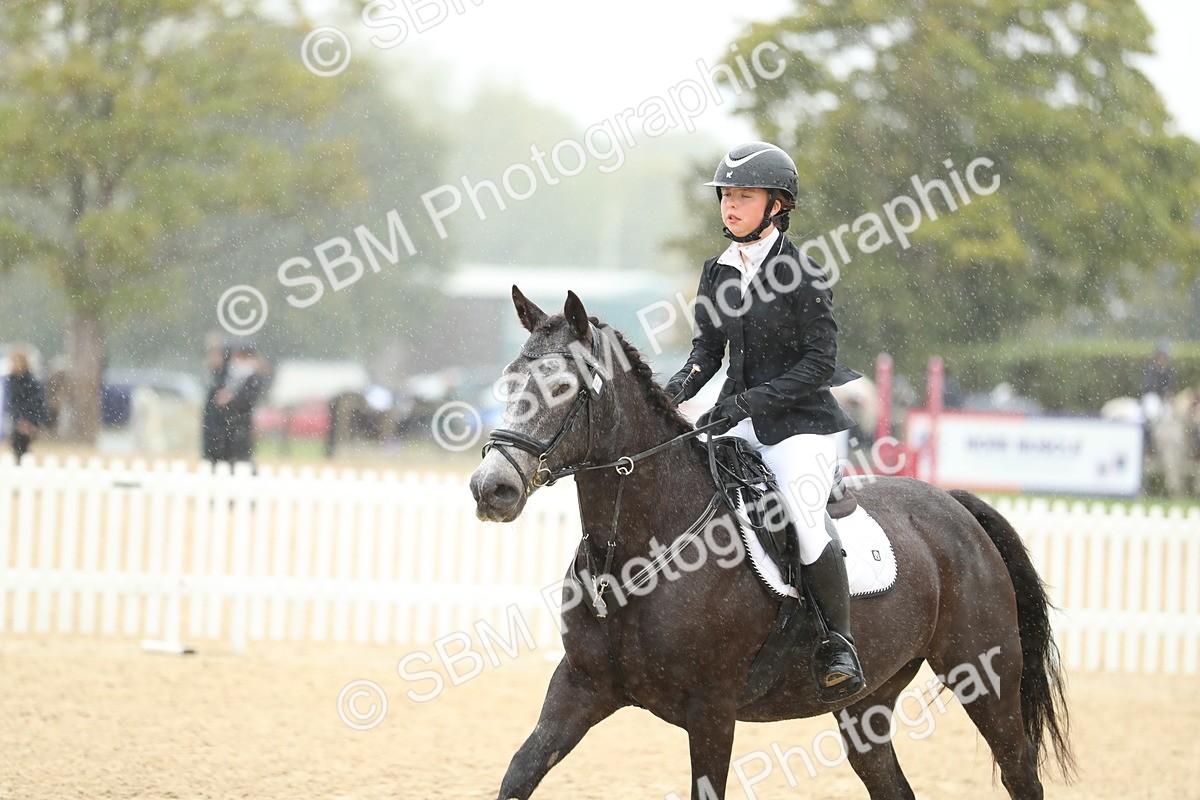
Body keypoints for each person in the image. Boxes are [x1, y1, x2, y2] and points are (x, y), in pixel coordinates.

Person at [664, 141, 864, 702]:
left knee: (800, 516)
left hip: (801, 425)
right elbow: (706, 353)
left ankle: (837, 644)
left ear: (777, 205)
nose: (729, 206)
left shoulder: (804, 274)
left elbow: (818, 365)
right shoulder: (717, 272)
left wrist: (748, 404)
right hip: (735, 415)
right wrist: (667, 398)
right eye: (725, 196)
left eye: (743, 197)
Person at [210, 344, 265, 465]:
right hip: (225, 424)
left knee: (241, 458)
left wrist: (230, 399)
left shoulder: (254, 377)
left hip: (241, 425)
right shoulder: (229, 374)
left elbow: (248, 399)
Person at [5, 348, 49, 462]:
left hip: (27, 420)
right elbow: (14, 402)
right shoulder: (12, 379)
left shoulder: (31, 381)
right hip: (18, 419)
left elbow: (36, 403)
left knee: (20, 446)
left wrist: (29, 420)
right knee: (17, 446)